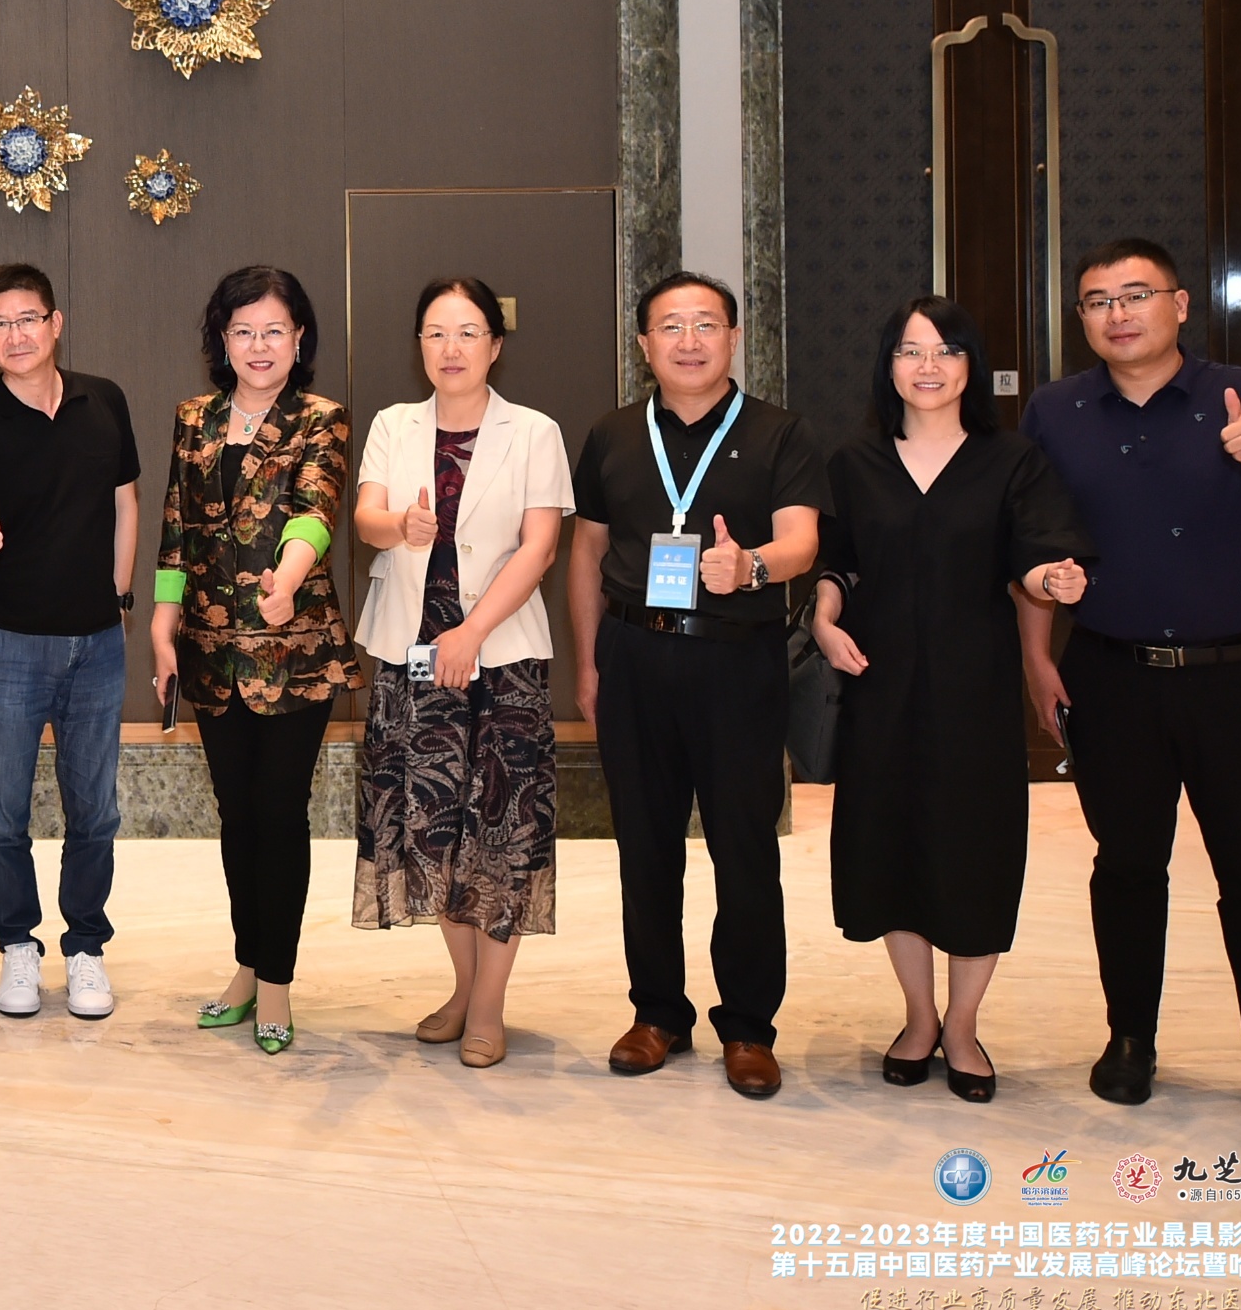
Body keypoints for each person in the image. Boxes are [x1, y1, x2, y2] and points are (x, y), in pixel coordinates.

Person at [1018, 237, 1241, 1140]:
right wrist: (1039, 659)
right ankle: (1130, 1040)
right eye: (1097, 301)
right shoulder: (1055, 410)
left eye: (1136, 294)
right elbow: (1032, 546)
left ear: (1178, 304)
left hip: (1236, 678)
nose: (1117, 314)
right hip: (1111, 674)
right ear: (1081, 319)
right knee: (1127, 866)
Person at [805, 297, 1091, 1103]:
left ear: (971, 364)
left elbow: (1036, 558)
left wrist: (1054, 578)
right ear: (888, 365)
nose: (927, 366)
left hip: (976, 690)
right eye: (910, 350)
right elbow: (836, 561)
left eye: (945, 350)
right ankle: (919, 1015)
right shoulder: (855, 461)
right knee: (892, 848)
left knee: (974, 851)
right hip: (881, 684)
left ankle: (964, 1025)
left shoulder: (1013, 460)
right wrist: (824, 617)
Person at [566, 271, 826, 1100]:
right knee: (644, 846)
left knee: (743, 848)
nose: (689, 340)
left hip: (737, 661)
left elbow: (801, 541)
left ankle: (748, 1025)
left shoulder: (781, 432)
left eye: (706, 324)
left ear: (734, 337)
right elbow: (587, 550)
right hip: (634, 656)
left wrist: (750, 566)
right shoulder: (611, 434)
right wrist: (589, 664)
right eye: (671, 325)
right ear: (644, 343)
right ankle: (657, 1013)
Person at [348, 276, 575, 1069]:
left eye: (468, 332)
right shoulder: (394, 423)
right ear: (419, 344)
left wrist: (471, 632)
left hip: (501, 658)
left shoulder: (534, 431)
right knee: (431, 827)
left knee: (501, 833)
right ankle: (462, 984)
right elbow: (366, 518)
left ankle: (488, 1005)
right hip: (411, 658)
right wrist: (400, 524)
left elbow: (540, 546)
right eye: (437, 333)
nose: (451, 348)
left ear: (495, 344)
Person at [150, 264, 354, 1055]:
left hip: (293, 654)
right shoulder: (193, 417)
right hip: (208, 652)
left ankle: (276, 980)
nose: (259, 345)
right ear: (222, 338)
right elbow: (176, 527)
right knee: (236, 816)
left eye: (274, 330)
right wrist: (163, 623)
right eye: (244, 330)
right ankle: (245, 961)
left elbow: (315, 508)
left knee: (279, 812)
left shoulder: (320, 417)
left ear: (299, 337)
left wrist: (288, 578)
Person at [0, 262, 140, 1022]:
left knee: (96, 811)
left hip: (98, 643)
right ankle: (17, 944)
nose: (15, 335)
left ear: (56, 323)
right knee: (3, 811)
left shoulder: (104, 400)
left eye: (28, 318)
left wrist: (120, 596)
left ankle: (85, 946)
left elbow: (126, 502)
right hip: (9, 644)